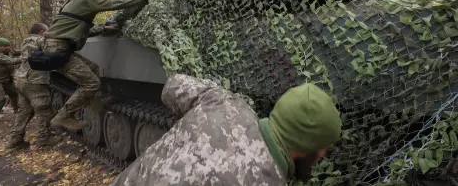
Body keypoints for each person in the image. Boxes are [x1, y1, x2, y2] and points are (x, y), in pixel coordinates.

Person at [110, 74, 342, 186]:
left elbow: (172, 85)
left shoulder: (225, 103)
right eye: (324, 150)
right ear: (307, 146)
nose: (322, 156)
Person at [42, 0, 148, 131]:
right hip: (58, 49)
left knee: (95, 69)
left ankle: (96, 102)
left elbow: (76, 30)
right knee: (92, 83)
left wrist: (102, 29)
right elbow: (115, 4)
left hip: (58, 47)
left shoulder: (73, 1)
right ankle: (63, 116)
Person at [6, 23, 62, 149]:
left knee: (24, 111)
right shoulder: (41, 41)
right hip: (35, 81)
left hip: (22, 81)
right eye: (47, 31)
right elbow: (55, 51)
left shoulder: (25, 41)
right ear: (42, 32)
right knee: (43, 110)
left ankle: (15, 139)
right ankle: (44, 139)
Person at [0, 38, 24, 121]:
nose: (7, 47)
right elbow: (11, 61)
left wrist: (28, 50)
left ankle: (17, 111)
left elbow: (18, 52)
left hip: (6, 79)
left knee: (14, 94)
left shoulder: (7, 51)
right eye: (5, 46)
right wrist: (26, 57)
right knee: (0, 98)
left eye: (8, 45)